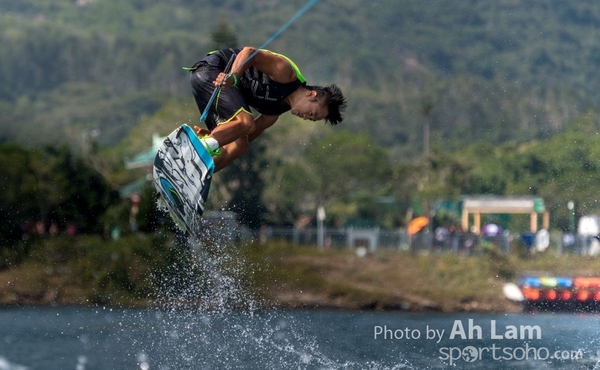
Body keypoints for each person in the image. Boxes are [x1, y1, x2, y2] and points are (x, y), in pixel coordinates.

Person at [187, 46, 347, 172]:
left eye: (311, 119)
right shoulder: (286, 73)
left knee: (241, 145)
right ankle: (196, 151)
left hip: (216, 89)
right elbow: (250, 52)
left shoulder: (273, 114)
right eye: (311, 113)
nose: (306, 117)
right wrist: (233, 76)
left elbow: (244, 138)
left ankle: (194, 175)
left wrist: (222, 136)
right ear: (312, 94)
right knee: (247, 123)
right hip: (212, 71)